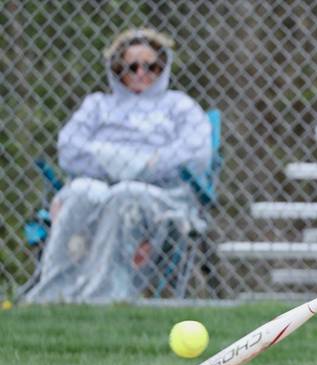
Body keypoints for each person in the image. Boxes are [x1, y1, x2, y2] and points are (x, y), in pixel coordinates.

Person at [22, 28, 211, 303]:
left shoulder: (179, 106)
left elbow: (196, 153)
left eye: (151, 67)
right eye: (131, 67)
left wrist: (143, 167)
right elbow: (69, 148)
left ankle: (103, 298)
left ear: (163, 68)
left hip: (161, 196)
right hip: (99, 187)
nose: (141, 73)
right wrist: (125, 161)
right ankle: (53, 297)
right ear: (117, 69)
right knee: (81, 192)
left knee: (125, 194)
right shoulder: (97, 105)